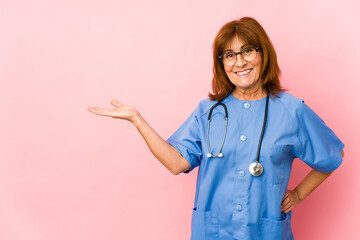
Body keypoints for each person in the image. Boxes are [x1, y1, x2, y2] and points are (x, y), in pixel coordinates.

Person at [87, 17, 345, 240]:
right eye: (229, 55)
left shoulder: (292, 111)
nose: (239, 62)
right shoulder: (208, 112)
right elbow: (176, 163)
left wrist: (299, 194)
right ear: (222, 63)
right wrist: (137, 120)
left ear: (263, 53)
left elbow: (332, 156)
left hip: (264, 232)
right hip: (213, 233)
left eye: (247, 51)